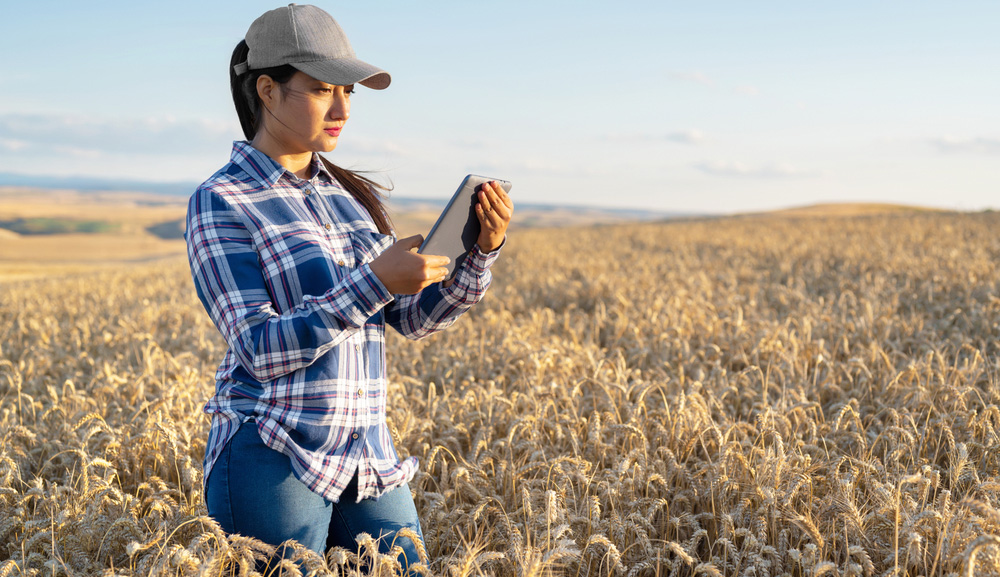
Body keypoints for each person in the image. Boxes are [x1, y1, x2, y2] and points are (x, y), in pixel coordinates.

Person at [184, 4, 513, 573]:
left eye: (349, 91)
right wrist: (371, 283)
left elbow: (410, 319)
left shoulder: (347, 199)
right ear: (267, 89)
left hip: (367, 455)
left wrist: (477, 254)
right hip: (272, 450)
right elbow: (259, 348)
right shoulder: (222, 201)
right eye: (321, 89)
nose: (342, 108)